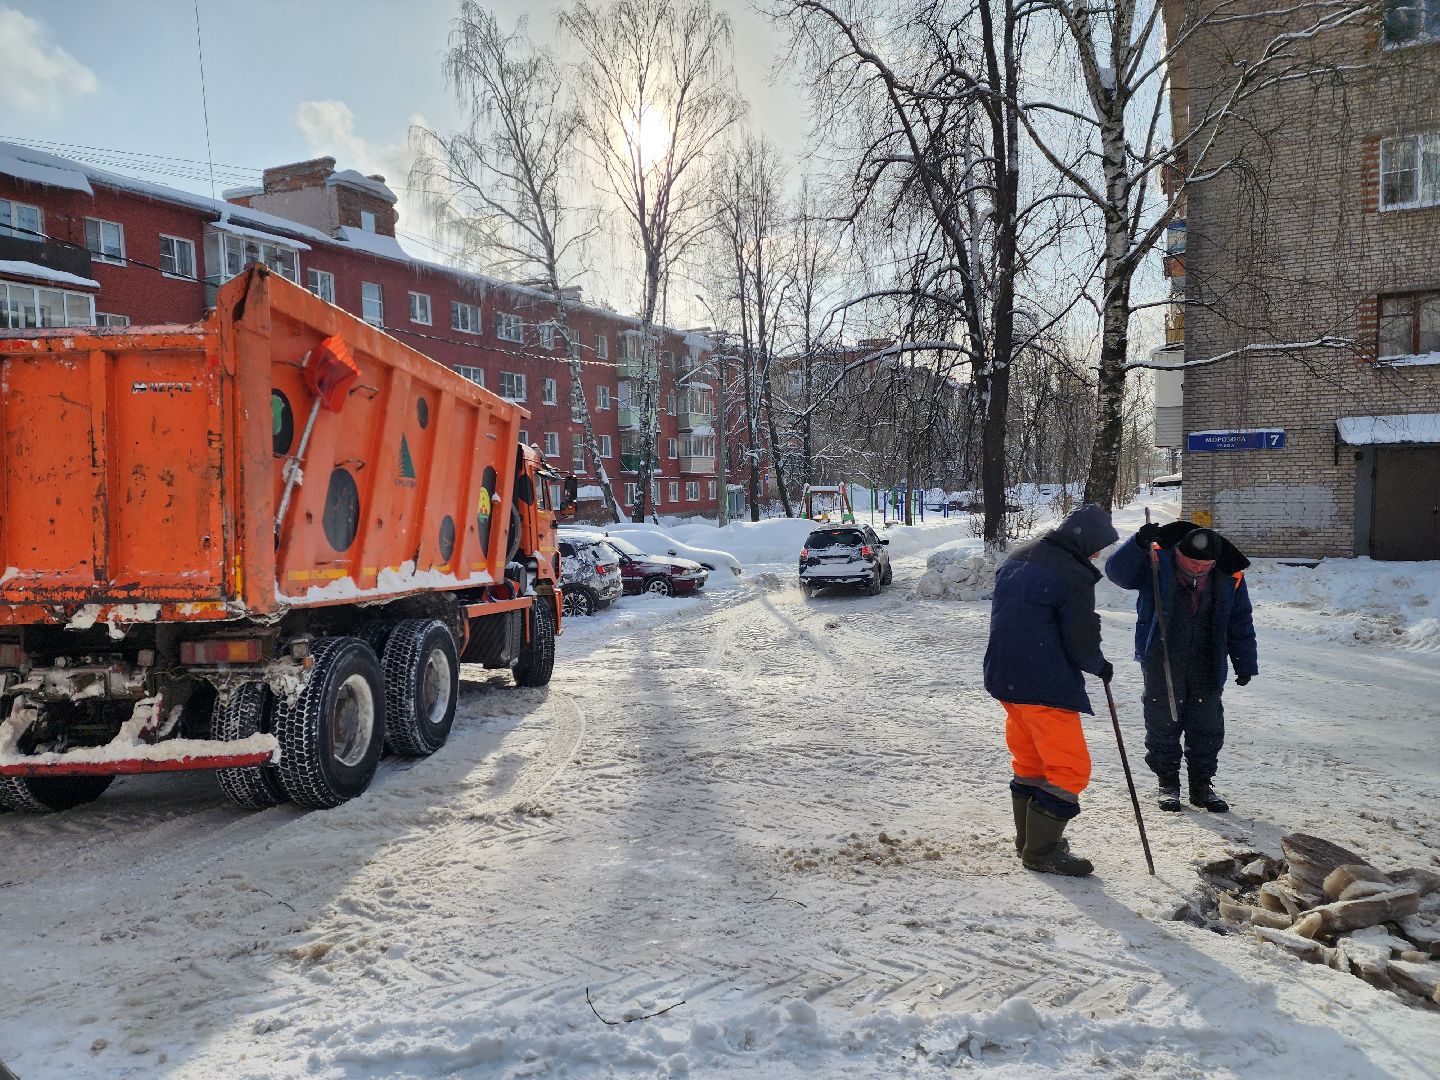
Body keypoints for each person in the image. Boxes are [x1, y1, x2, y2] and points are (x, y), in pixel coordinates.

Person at [984, 504, 1118, 877]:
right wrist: (1097, 665)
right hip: (1044, 683)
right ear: (1085, 541)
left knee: (1030, 762)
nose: (1096, 555)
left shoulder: (1019, 557)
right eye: (1097, 547)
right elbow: (1080, 637)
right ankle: (1041, 853)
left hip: (1006, 677)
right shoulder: (1071, 573)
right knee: (1068, 769)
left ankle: (1028, 841)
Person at [1104, 522, 1258, 814]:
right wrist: (1137, 543)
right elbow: (1118, 573)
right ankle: (1168, 783)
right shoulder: (1156, 561)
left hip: (1207, 658)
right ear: (1178, 554)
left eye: (1206, 564)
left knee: (1207, 724)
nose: (1200, 569)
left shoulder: (1229, 574)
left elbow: (1240, 621)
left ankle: (1201, 786)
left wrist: (1245, 662)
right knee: (1163, 720)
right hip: (1162, 655)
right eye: (1193, 563)